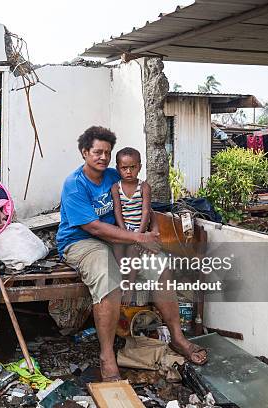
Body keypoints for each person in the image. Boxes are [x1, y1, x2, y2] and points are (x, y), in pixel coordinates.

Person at [56, 126, 207, 382]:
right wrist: (138, 237)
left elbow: (141, 204)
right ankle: (106, 355)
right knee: (107, 277)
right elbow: (92, 227)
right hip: (82, 242)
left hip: (121, 239)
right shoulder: (74, 184)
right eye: (97, 152)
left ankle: (178, 338)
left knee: (161, 266)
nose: (102, 157)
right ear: (84, 152)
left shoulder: (115, 176)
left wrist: (151, 232)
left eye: (107, 152)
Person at [110, 147, 155, 306]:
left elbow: (146, 210)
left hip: (139, 229)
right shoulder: (116, 187)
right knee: (116, 246)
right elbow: (117, 210)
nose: (128, 171)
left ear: (139, 167)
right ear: (118, 169)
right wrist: (123, 232)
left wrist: (140, 234)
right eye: (124, 168)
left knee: (133, 251)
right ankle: (122, 278)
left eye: (133, 167)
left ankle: (130, 285)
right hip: (124, 229)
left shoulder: (144, 187)